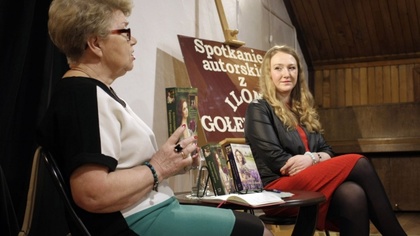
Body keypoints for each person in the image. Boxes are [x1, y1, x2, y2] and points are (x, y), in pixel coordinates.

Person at [37, 0, 273, 235]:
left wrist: (172, 164)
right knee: (255, 230)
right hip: (134, 221)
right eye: (125, 31)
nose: (133, 39)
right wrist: (158, 167)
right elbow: (92, 193)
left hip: (148, 211)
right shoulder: (82, 95)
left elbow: (124, 170)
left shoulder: (93, 92)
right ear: (96, 43)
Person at [244, 45, 406, 236]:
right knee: (358, 162)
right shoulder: (259, 108)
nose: (286, 73)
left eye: (292, 68)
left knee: (353, 194)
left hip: (309, 183)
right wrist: (315, 159)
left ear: (298, 73)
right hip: (278, 189)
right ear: (268, 74)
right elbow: (276, 160)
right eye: (278, 68)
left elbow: (327, 149)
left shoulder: (302, 110)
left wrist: (311, 158)